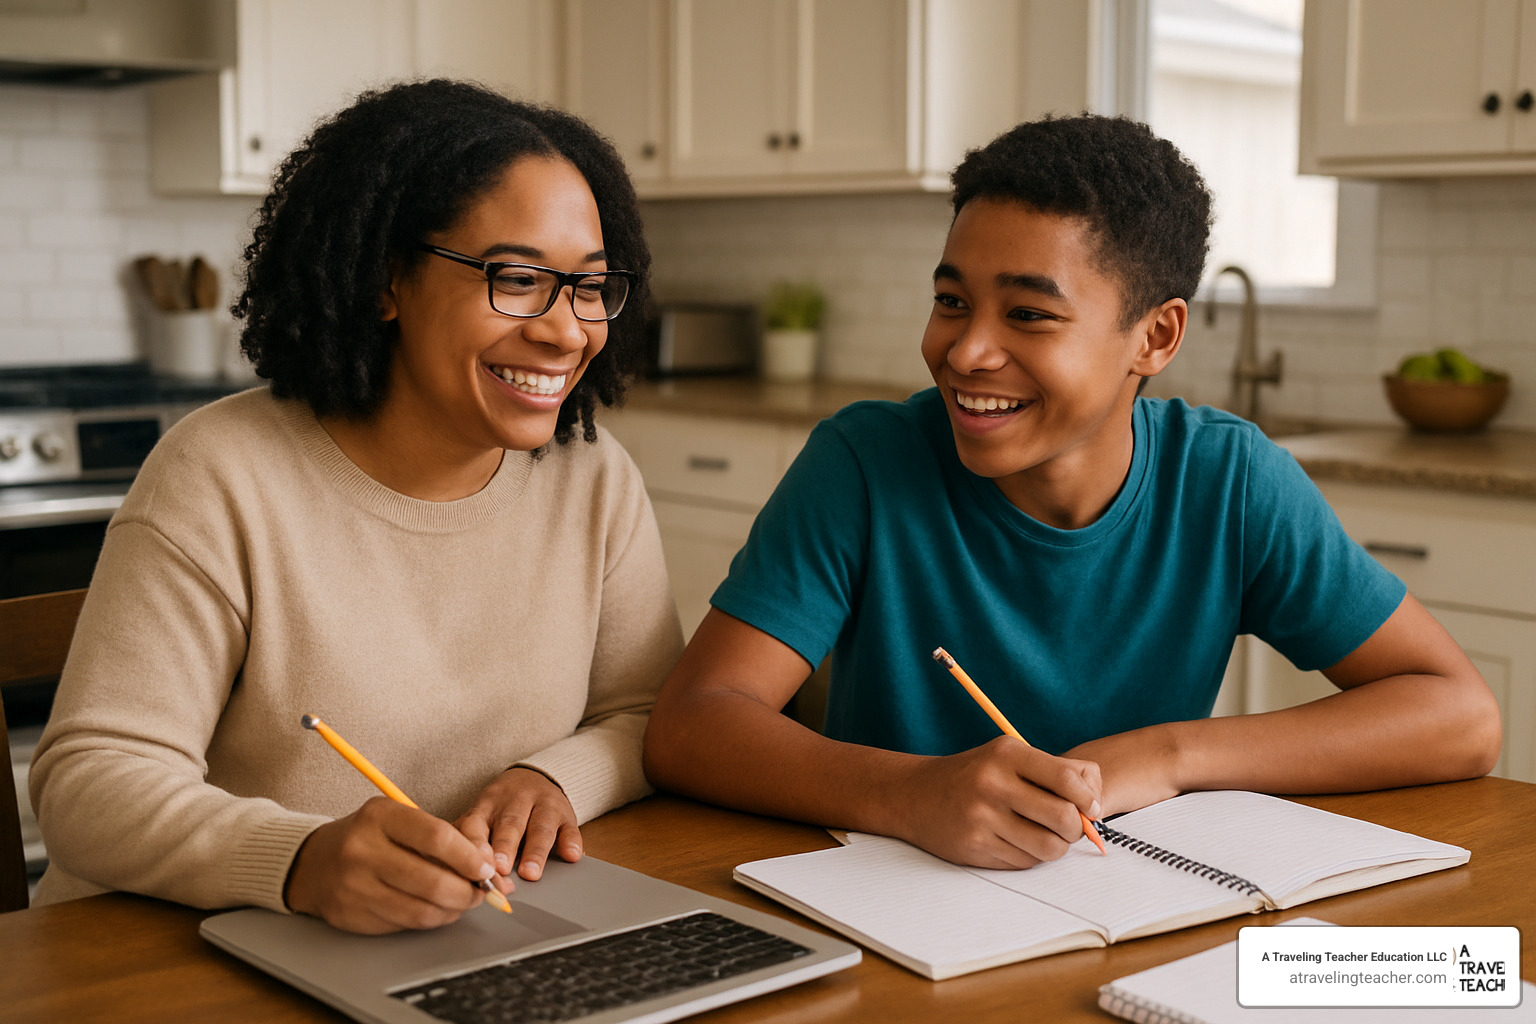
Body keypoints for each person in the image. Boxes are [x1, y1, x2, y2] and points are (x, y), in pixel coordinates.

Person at [642, 114, 1502, 872]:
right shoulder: (865, 462)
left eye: (1028, 314)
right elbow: (692, 725)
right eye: (951, 300)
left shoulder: (1230, 483)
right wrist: (913, 794)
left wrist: (1165, 756)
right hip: (892, 908)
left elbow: (1460, 716)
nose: (966, 351)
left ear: (1154, 337)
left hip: (1130, 903)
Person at [30, 79, 682, 934]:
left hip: (465, 937)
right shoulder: (221, 473)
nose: (566, 330)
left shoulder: (593, 478)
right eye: (517, 278)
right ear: (386, 280)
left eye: (589, 286)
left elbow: (653, 714)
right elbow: (91, 781)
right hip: (184, 954)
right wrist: (299, 860)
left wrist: (557, 777)